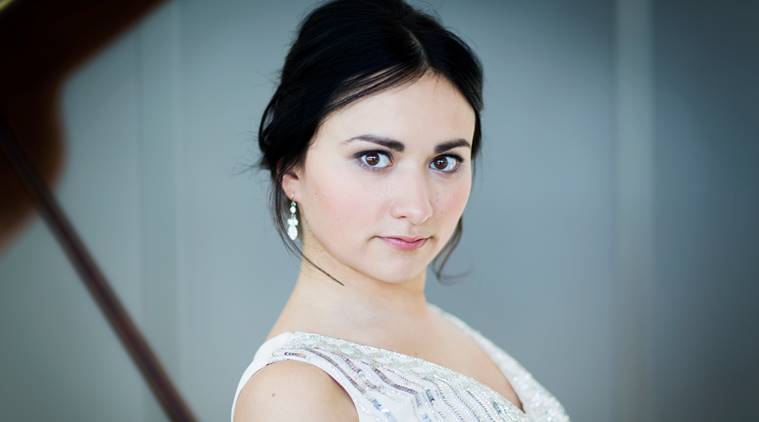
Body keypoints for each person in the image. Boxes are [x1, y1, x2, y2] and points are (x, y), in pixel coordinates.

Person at [231, 0, 570, 420]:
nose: (418, 207)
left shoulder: (453, 332)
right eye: (373, 158)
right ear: (292, 171)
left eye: (444, 162)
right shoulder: (294, 397)